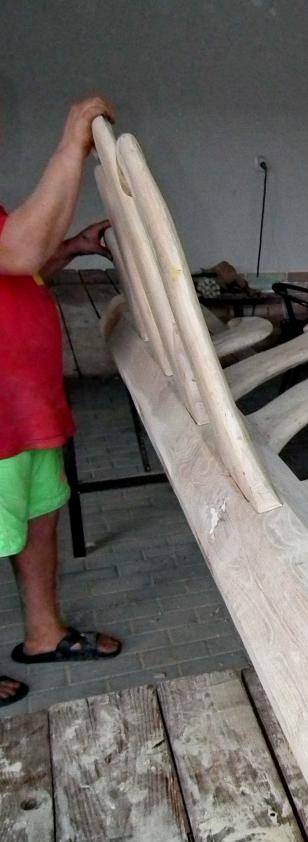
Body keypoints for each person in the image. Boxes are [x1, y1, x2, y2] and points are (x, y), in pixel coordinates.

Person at [0, 94, 121, 708]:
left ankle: (44, 635)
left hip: (25, 408)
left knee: (38, 518)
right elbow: (18, 252)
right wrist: (72, 144)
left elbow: (20, 267)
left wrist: (69, 248)